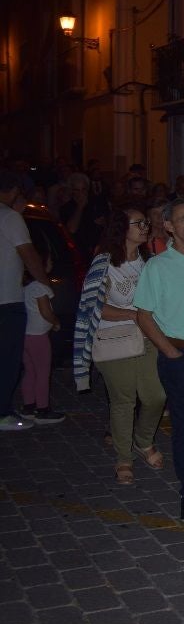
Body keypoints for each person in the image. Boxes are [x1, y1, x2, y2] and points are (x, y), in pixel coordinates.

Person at [133, 198, 184, 520]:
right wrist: (171, 352)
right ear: (168, 226)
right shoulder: (157, 266)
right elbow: (144, 316)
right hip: (178, 355)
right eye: (183, 219)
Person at [78, 208, 168, 484]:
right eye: (138, 223)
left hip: (146, 337)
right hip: (114, 339)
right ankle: (123, 458)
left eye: (145, 222)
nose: (145, 226)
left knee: (156, 397)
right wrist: (133, 315)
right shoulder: (104, 263)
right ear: (121, 228)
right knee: (123, 401)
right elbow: (94, 306)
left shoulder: (148, 261)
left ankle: (142, 441)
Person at [0, 171, 52, 431]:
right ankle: (3, 413)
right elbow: (28, 254)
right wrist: (43, 282)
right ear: (12, 192)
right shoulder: (10, 217)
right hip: (7, 300)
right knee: (8, 359)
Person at [19, 238, 64, 425]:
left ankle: (28, 406)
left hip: (26, 334)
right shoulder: (40, 287)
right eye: (49, 260)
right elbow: (46, 311)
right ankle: (43, 409)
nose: (52, 263)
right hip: (38, 336)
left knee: (30, 371)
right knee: (43, 372)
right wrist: (55, 322)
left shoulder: (25, 286)